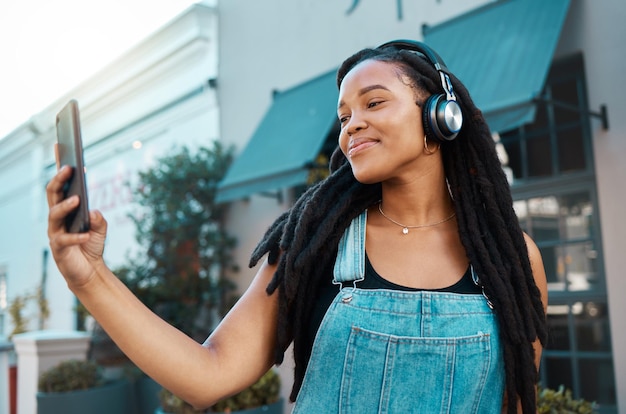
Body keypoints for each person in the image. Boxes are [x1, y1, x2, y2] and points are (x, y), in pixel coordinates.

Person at [46, 40, 547, 413]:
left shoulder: (511, 260)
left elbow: (518, 402)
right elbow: (206, 376)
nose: (351, 124)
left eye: (373, 103)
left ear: (442, 117)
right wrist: (89, 278)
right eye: (344, 114)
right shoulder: (314, 246)